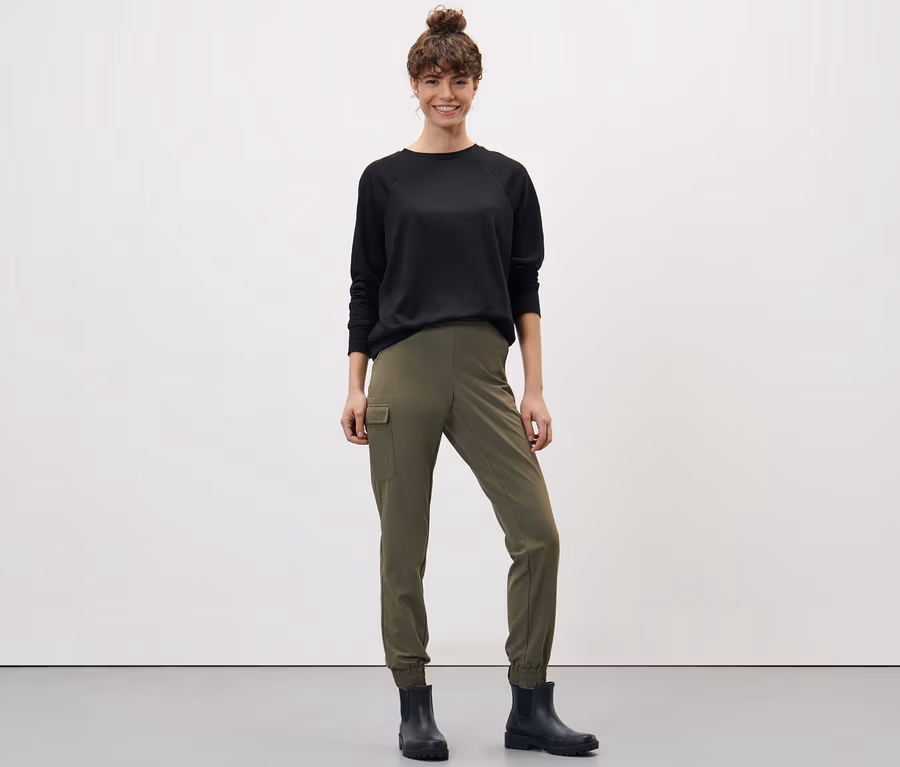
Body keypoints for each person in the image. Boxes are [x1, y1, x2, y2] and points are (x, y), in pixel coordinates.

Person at [340, 5, 599, 760]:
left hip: (486, 371)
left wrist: (534, 387)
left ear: (476, 85)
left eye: (458, 79)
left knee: (538, 535)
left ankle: (531, 705)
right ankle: (414, 706)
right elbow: (364, 287)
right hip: (402, 370)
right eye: (431, 80)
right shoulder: (383, 180)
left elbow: (525, 287)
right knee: (403, 546)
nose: (445, 93)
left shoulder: (506, 179)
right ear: (414, 86)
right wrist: (355, 383)